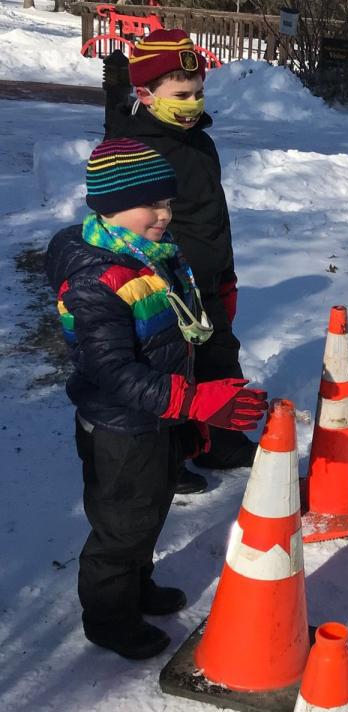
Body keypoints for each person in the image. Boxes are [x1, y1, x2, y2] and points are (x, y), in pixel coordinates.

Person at [45, 139, 269, 660]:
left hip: (157, 419)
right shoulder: (97, 279)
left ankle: (136, 587)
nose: (165, 215)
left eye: (169, 203)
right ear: (110, 205)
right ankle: (109, 618)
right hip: (121, 430)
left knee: (148, 513)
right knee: (120, 527)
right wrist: (194, 402)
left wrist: (191, 405)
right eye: (153, 204)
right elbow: (114, 373)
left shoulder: (150, 256)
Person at [105, 29, 255, 494]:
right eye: (182, 95)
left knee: (219, 360)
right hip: (165, 284)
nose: (192, 103)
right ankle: (167, 460)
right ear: (147, 95)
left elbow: (212, 213)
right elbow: (124, 221)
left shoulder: (199, 142)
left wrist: (224, 275)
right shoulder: (137, 147)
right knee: (171, 373)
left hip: (208, 277)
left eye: (199, 93)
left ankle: (220, 442)